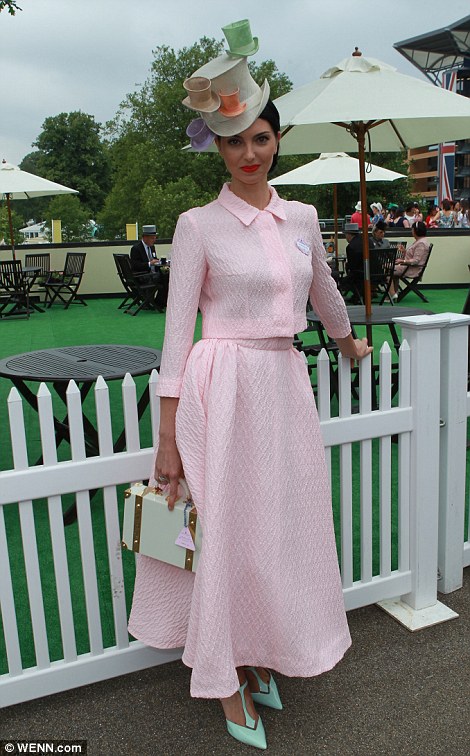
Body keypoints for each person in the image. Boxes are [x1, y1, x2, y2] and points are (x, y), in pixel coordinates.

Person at [128, 25, 372, 752]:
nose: (249, 153)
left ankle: (265, 653)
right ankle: (226, 677)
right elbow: (177, 336)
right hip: (220, 388)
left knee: (281, 531)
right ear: (217, 148)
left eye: (260, 139)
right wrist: (167, 438)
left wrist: (347, 340)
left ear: (275, 141)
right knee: (228, 532)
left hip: (284, 384)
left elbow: (324, 290)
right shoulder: (198, 224)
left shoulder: (300, 218)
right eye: (234, 143)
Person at [390, 221, 430, 299]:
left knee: (388, 269)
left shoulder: (421, 243)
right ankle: (394, 292)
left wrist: (403, 261)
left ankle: (392, 294)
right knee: (390, 267)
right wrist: (404, 251)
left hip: (412, 269)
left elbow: (416, 260)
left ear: (416, 231)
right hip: (409, 267)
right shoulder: (420, 241)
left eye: (412, 229)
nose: (411, 231)